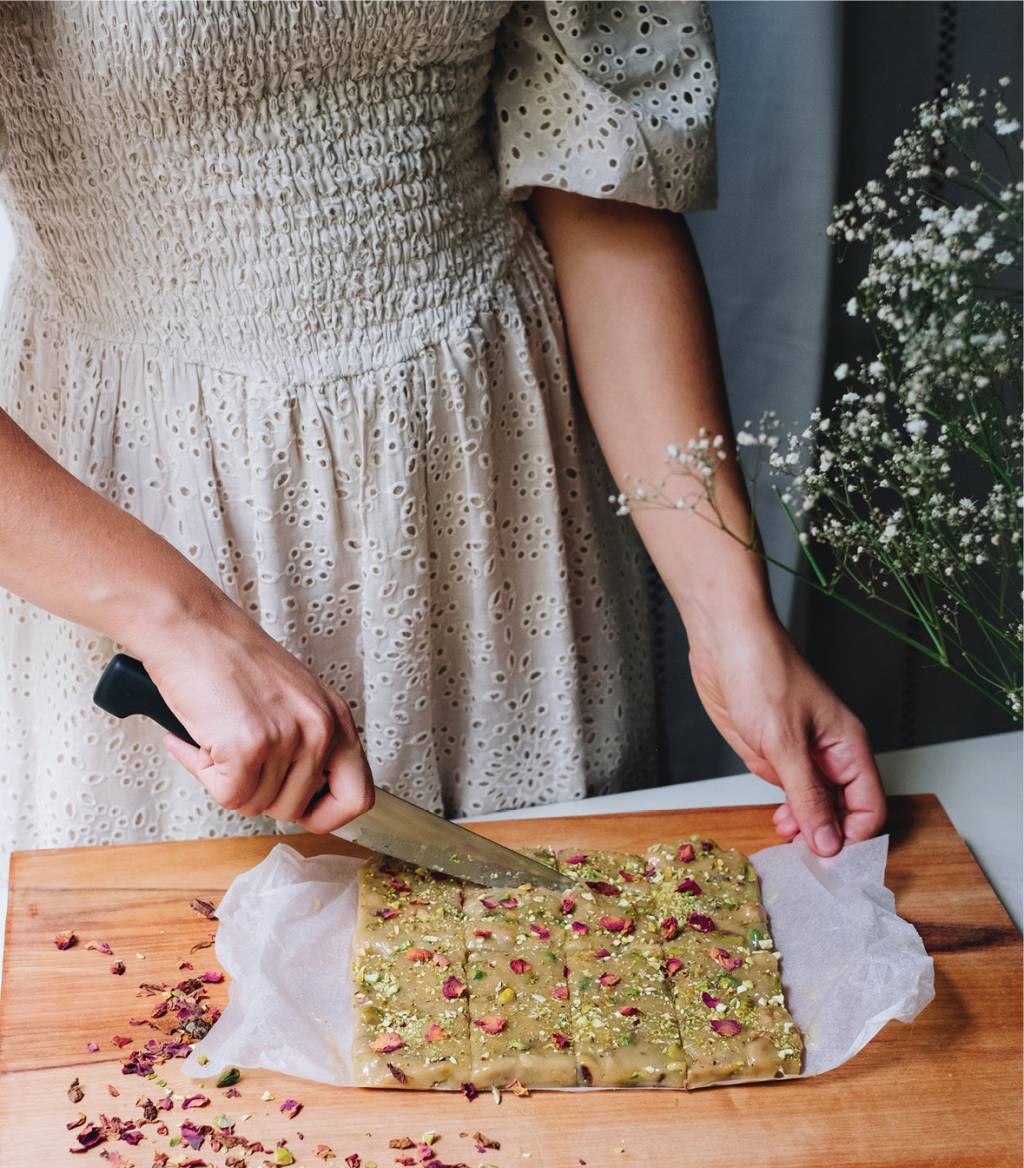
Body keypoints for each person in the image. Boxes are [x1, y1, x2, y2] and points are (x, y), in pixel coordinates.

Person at [0, 0, 884, 863]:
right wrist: (183, 624)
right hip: (135, 523)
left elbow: (599, 181)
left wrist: (728, 613)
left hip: (501, 499)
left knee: (558, 978)